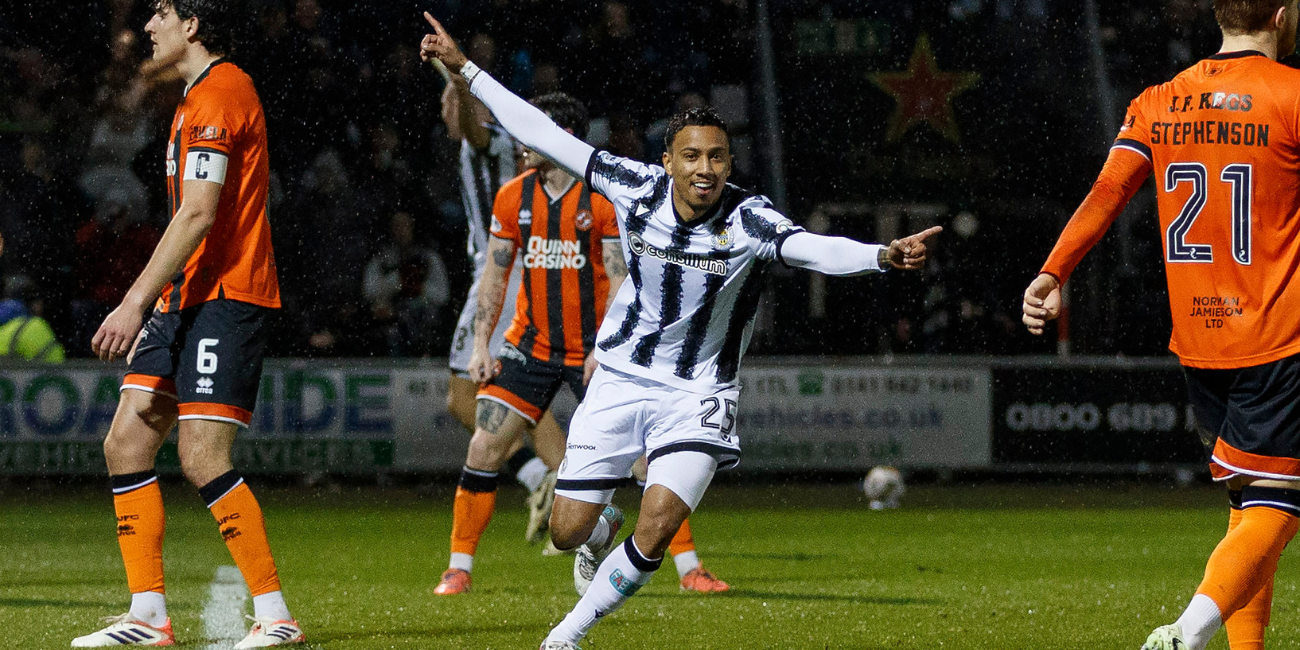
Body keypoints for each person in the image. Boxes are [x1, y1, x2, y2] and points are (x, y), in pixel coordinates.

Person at [420, 16, 939, 648]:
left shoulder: (749, 219)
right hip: (618, 379)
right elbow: (541, 133)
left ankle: (565, 637)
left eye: (717, 156)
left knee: (660, 522)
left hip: (699, 393)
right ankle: (598, 528)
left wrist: (880, 255)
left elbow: (811, 249)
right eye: (691, 156)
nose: (705, 168)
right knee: (566, 531)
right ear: (668, 162)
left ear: (728, 163)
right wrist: (464, 71)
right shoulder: (634, 188)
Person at [1021, 2, 1300, 649]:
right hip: (1278, 334)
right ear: (1282, 16)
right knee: (1280, 503)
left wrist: (1053, 272)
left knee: (1250, 508)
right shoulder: (1291, 95)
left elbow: (1108, 193)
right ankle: (1188, 632)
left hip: (1201, 341)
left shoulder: (1160, 101)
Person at [74, 1, 303, 647]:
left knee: (202, 455)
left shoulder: (223, 93)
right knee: (126, 442)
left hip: (227, 295)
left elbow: (199, 213)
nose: (149, 27)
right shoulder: (190, 99)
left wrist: (133, 299)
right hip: (186, 295)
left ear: (193, 25)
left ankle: (277, 616)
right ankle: (147, 615)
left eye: (161, 13)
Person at [434, 91, 623, 595]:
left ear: (561, 139)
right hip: (531, 345)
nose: (521, 142)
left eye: (533, 132)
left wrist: (609, 348)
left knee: (647, 459)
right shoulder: (513, 196)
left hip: (591, 350)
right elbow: (495, 281)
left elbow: (620, 279)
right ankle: (459, 567)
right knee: (484, 443)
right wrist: (480, 346)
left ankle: (686, 565)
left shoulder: (600, 200)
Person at [438, 56, 566, 544]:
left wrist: (461, 85)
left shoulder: (490, 143)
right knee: (525, 399)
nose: (445, 113)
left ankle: (547, 482)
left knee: (464, 395)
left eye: (447, 104)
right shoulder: (510, 147)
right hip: (522, 274)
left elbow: (472, 124)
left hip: (502, 275)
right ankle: (562, 489)